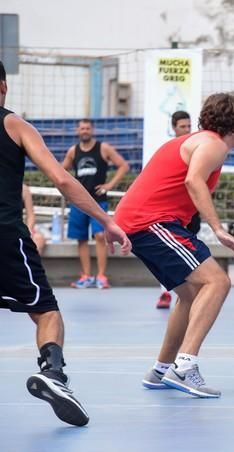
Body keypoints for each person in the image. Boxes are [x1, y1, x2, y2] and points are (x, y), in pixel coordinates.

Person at [0, 60, 131, 426]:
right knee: (45, 312)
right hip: (5, 235)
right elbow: (61, 179)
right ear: (4, 87)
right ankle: (53, 375)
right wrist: (106, 219)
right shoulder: (14, 123)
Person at [115, 93, 234, 398]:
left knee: (189, 295)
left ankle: (161, 370)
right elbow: (193, 181)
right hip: (152, 221)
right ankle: (184, 367)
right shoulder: (214, 144)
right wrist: (218, 228)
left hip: (143, 221)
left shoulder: (196, 141)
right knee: (217, 281)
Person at [62, 118, 130, 289]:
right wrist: (70, 189)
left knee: (100, 236)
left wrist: (109, 185)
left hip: (98, 201)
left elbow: (123, 166)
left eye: (87, 128)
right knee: (81, 239)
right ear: (78, 131)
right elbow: (61, 171)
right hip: (79, 202)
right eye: (82, 128)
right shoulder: (73, 151)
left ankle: (101, 275)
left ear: (92, 130)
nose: (85, 131)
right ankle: (85, 275)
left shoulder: (103, 148)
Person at [156, 110, 194, 309]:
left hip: (190, 209)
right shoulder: (168, 150)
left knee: (190, 253)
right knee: (168, 253)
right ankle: (165, 292)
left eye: (189, 126)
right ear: (174, 128)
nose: (187, 130)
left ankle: (186, 295)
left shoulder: (197, 149)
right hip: (170, 211)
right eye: (182, 127)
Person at [22, 184, 46, 254]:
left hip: (18, 226)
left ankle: (30, 262)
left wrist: (28, 231)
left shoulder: (24, 189)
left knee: (39, 238)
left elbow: (31, 215)